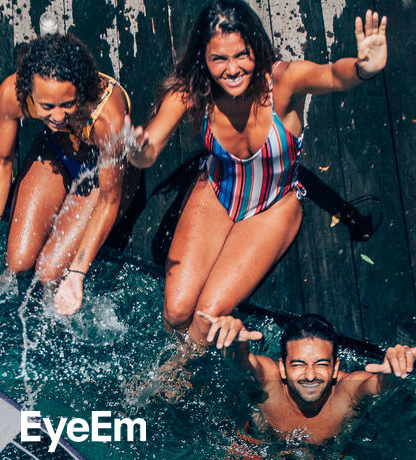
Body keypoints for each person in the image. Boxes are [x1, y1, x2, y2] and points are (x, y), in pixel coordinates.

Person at [127, 2, 387, 348]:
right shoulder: (190, 91)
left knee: (205, 319)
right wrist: (138, 151)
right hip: (217, 192)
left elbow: (334, 76)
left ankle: (176, 373)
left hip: (274, 205)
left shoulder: (283, 81)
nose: (233, 69)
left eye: (242, 55)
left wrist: (364, 68)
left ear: (256, 49)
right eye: (219, 59)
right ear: (202, 58)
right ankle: (168, 356)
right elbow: (151, 147)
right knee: (175, 312)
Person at [0, 34, 137, 315]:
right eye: (47, 107)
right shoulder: (14, 94)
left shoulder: (106, 119)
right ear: (30, 94)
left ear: (81, 91)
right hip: (57, 155)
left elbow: (108, 200)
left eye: (68, 104)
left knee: (49, 272)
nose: (57, 116)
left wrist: (77, 274)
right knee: (17, 262)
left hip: (103, 178)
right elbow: (2, 160)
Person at [202, 311, 416, 460]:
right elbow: (242, 365)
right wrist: (231, 344)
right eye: (299, 364)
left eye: (321, 364)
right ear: (282, 368)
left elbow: (377, 385)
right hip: (257, 454)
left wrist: (394, 371)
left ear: (335, 367)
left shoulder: (347, 393)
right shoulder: (268, 383)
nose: (310, 375)